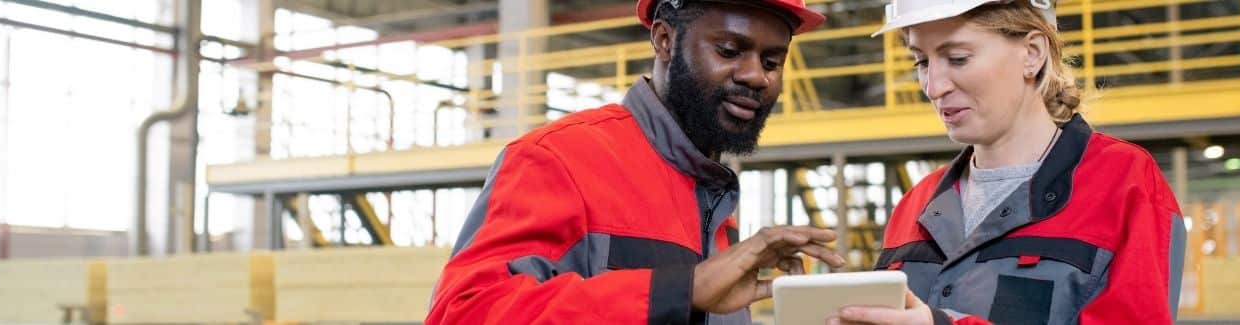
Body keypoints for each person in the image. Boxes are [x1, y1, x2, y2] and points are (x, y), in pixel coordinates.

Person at [425, 1, 842, 324]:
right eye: (730, 50)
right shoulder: (559, 159)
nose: (757, 76)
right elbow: (464, 313)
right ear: (664, 40)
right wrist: (681, 290)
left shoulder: (710, 190)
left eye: (773, 62)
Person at [834, 0, 1188, 324]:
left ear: (1032, 53)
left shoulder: (1125, 184)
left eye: (957, 58)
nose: (933, 86)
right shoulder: (916, 205)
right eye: (922, 62)